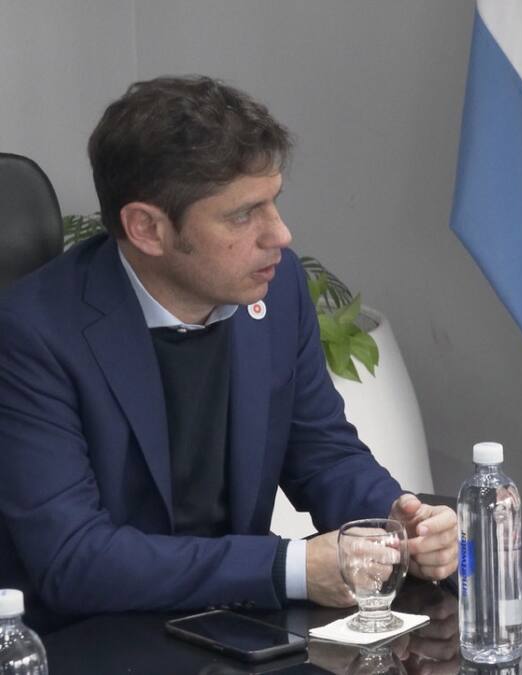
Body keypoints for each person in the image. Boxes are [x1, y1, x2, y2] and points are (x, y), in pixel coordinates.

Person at [0, 76, 457, 629]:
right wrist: (288, 566)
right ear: (147, 228)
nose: (280, 235)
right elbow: (74, 559)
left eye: (273, 202)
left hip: (233, 627)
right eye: (243, 215)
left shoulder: (278, 287)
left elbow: (322, 452)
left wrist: (398, 522)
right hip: (90, 638)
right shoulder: (32, 334)